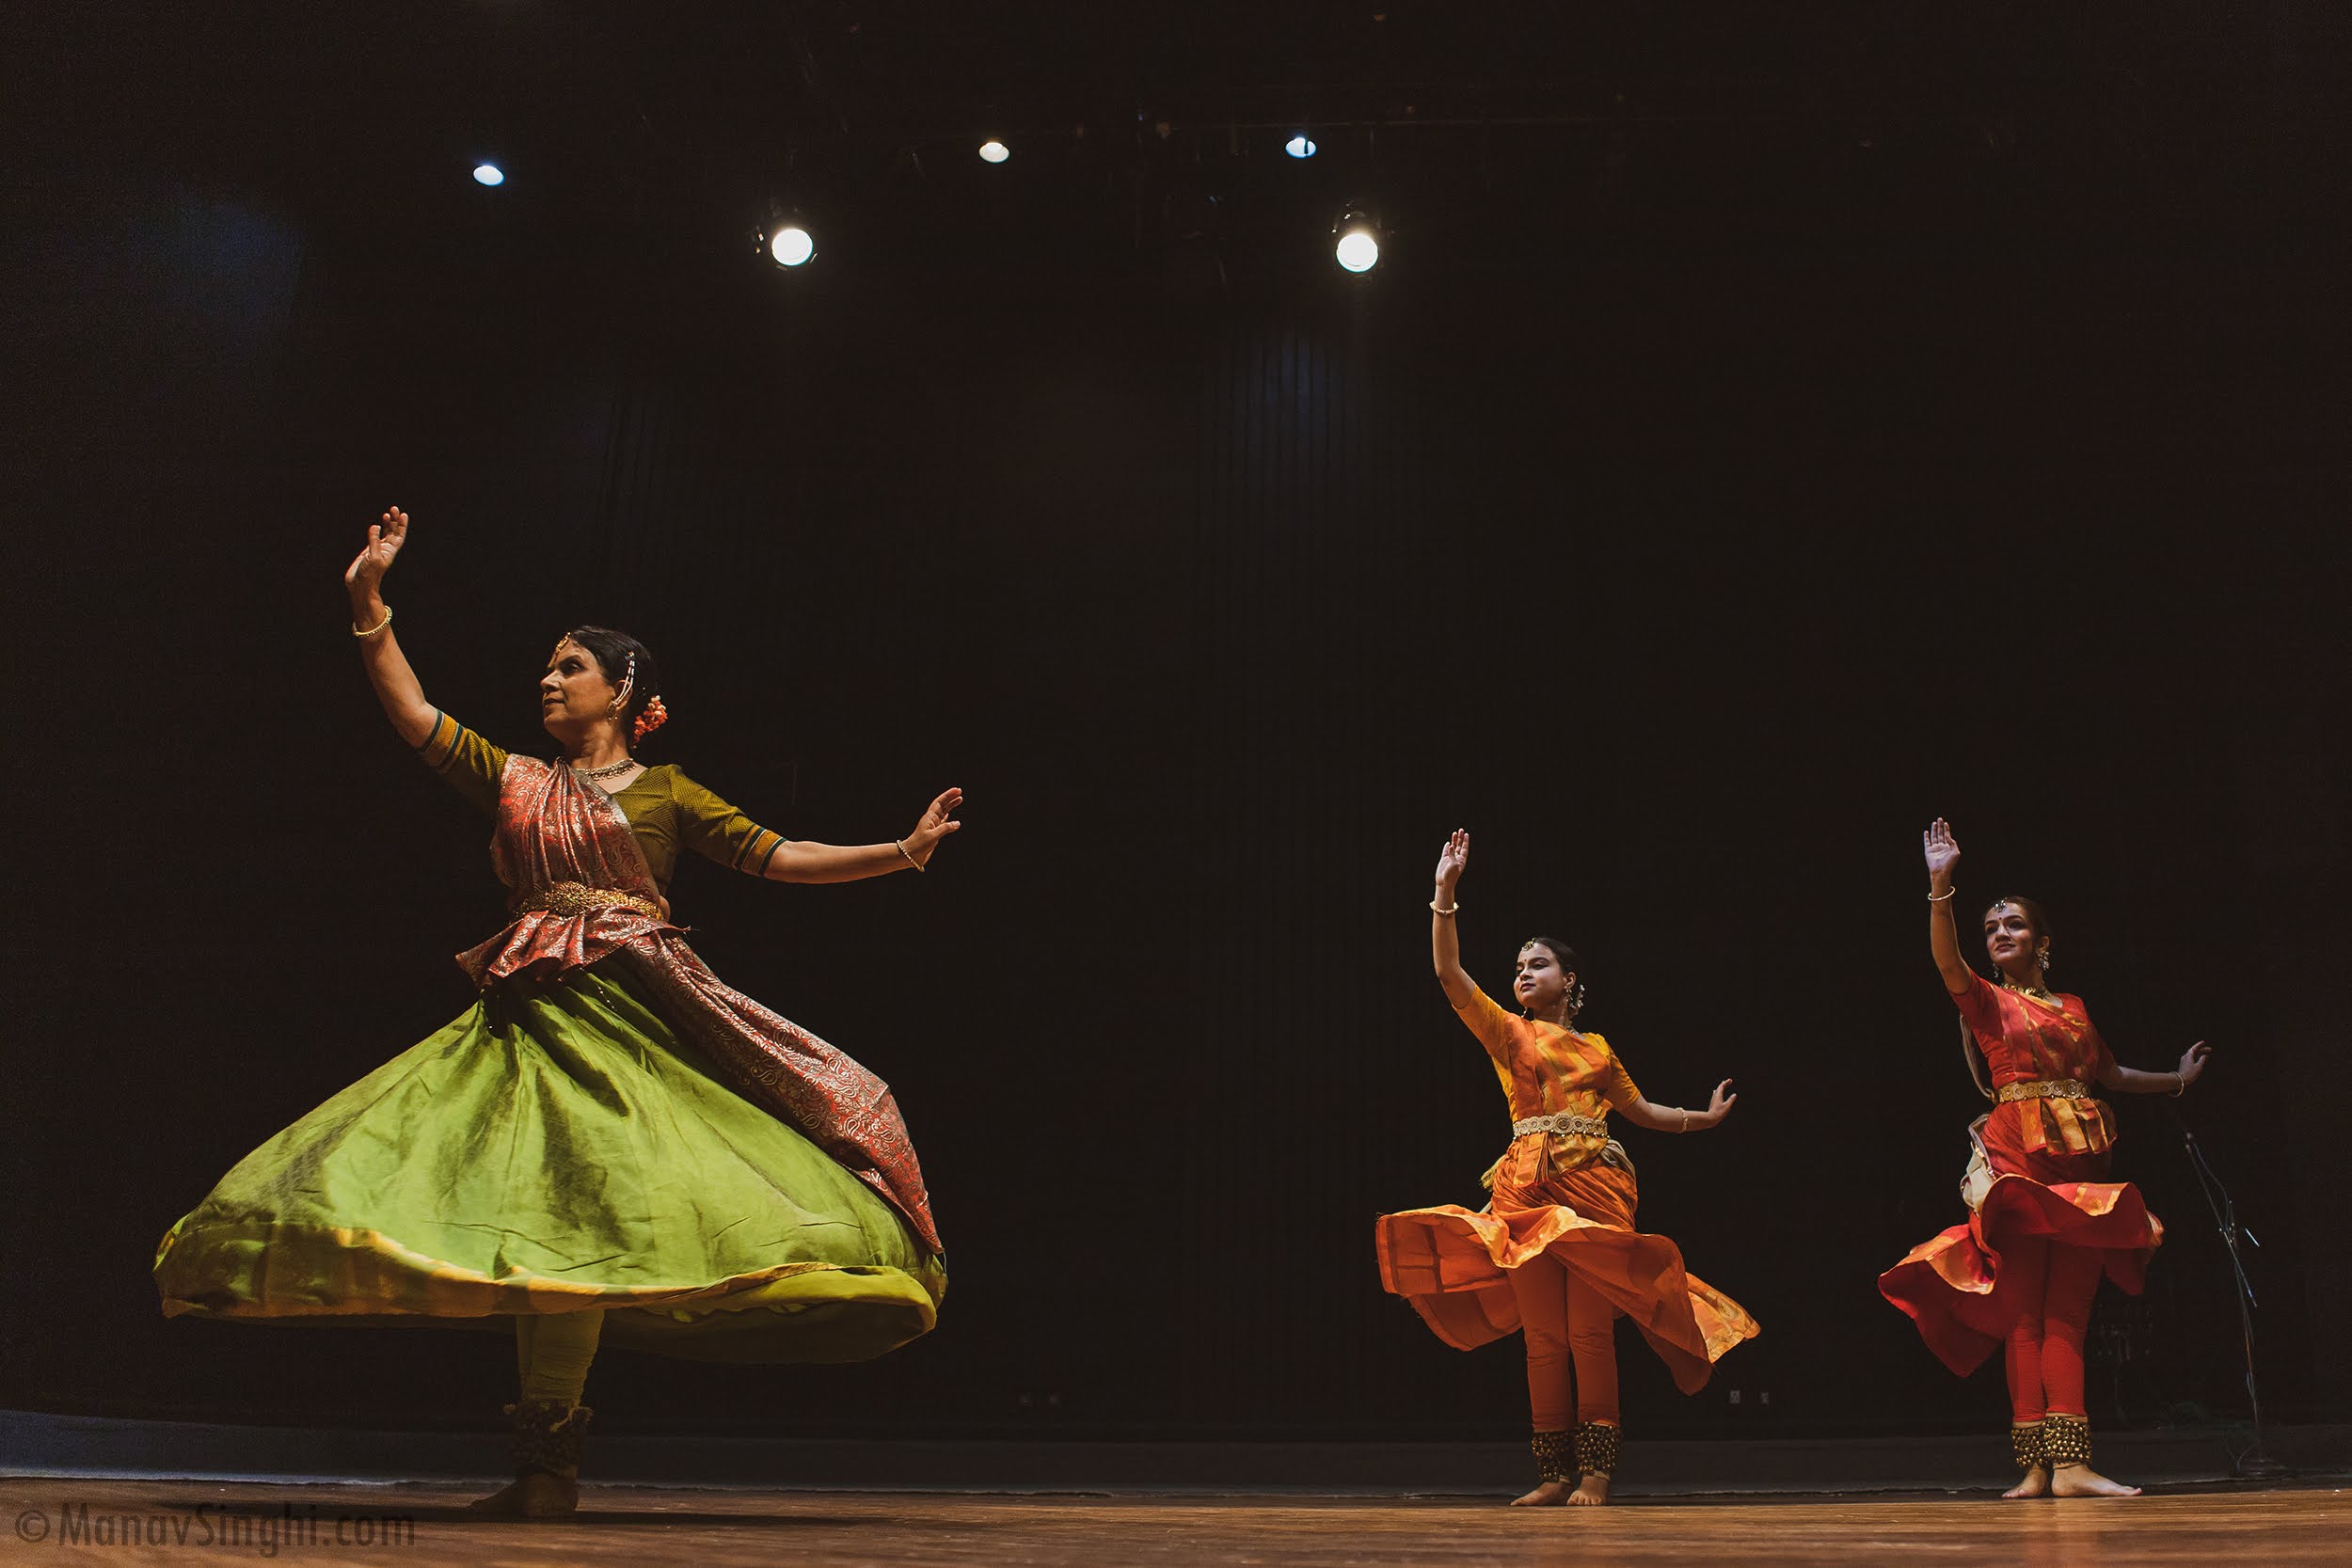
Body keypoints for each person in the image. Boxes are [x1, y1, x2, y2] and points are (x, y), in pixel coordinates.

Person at [154, 506, 961, 1517]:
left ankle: (548, 1468)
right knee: (542, 1224)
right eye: (547, 665)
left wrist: (899, 850)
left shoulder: (668, 792)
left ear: (623, 691)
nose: (549, 678)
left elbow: (777, 854)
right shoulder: (518, 777)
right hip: (530, 1017)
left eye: (570, 665)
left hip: (632, 1023)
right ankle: (545, 1469)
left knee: (606, 1215)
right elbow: (412, 714)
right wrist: (367, 601)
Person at [1375, 830, 1760, 1506]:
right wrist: (1444, 892)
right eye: (1518, 965)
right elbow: (1448, 975)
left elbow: (1645, 1112)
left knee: (1587, 1332)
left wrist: (1704, 1117)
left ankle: (1597, 1472)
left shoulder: (1599, 1051)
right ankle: (1553, 1471)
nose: (1522, 972)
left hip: (1592, 1191)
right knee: (1544, 1338)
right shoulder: (1507, 1032)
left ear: (1569, 979)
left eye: (1538, 964)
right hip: (1525, 1188)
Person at [1879, 818, 2210, 1498]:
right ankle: (2040, 1463)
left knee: (2069, 1311)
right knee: (2025, 1313)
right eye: (1992, 926)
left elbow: (2111, 1074)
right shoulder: (1987, 1003)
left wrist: (2175, 1080)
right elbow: (1947, 963)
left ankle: (2069, 1464)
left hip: (2081, 1160)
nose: (2000, 932)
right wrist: (1940, 886)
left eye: (2014, 924)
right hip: (2019, 1154)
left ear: (2043, 941)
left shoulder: (2075, 1008)